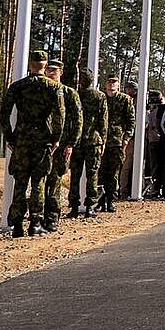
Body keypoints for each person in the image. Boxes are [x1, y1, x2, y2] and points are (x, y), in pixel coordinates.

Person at [0, 50, 64, 238]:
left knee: (20, 182)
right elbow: (60, 115)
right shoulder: (52, 87)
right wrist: (56, 139)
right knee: (38, 183)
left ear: (30, 65)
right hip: (42, 141)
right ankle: (35, 223)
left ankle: (17, 224)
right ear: (45, 66)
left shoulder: (18, 86)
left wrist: (10, 136)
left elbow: (3, 112)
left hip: (21, 140)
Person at [41, 61, 82, 231]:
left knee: (54, 180)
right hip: (42, 143)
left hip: (62, 145)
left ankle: (52, 217)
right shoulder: (41, 91)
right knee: (40, 181)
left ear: (61, 72)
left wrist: (71, 144)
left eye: (53, 70)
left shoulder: (69, 93)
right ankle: (40, 216)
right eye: (47, 70)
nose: (50, 73)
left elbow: (78, 120)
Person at [68, 69, 107, 218]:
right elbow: (103, 120)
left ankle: (74, 207)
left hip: (77, 141)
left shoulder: (74, 95)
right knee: (92, 175)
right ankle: (90, 206)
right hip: (93, 141)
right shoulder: (99, 96)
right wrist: (103, 139)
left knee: (75, 175)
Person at [99, 76, 134, 211]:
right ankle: (101, 199)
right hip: (102, 140)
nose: (111, 84)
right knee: (101, 171)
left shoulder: (125, 100)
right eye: (109, 82)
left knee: (113, 172)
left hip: (117, 141)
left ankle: (111, 200)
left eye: (114, 82)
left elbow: (131, 121)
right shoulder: (101, 98)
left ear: (118, 85)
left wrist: (126, 138)